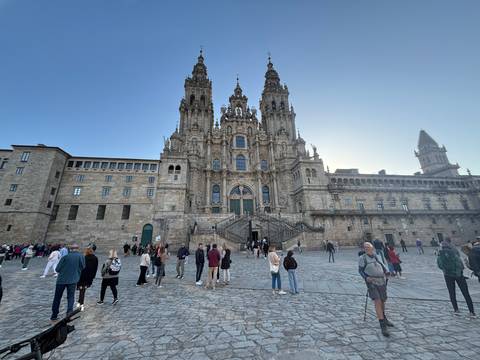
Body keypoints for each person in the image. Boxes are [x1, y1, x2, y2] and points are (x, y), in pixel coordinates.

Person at [358, 242, 393, 337]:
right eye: (365, 247)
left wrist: (387, 272)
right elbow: (360, 270)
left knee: (383, 301)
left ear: (372, 248)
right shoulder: (362, 258)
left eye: (368, 247)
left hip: (381, 280)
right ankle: (382, 325)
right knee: (377, 301)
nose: (367, 249)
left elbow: (382, 265)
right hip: (372, 282)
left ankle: (384, 317)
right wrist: (366, 278)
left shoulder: (377, 256)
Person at [437, 238, 475, 317]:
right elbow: (459, 264)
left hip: (447, 275)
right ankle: (471, 311)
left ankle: (456, 309)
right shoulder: (454, 251)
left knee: (452, 293)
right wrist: (459, 272)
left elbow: (439, 265)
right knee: (465, 293)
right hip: (458, 275)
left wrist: (445, 270)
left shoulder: (440, 254)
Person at [50, 244, 85, 321]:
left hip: (61, 280)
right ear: (77, 249)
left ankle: (54, 315)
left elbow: (57, 269)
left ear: (70, 249)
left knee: (57, 297)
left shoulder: (65, 257)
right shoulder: (81, 256)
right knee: (71, 297)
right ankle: (69, 313)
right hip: (73, 280)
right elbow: (83, 267)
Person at [76, 246, 98, 311]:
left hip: (82, 276)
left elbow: (80, 267)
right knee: (83, 290)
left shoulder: (83, 257)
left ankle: (81, 304)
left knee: (82, 290)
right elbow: (95, 269)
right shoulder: (95, 258)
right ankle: (80, 302)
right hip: (89, 277)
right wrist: (92, 277)